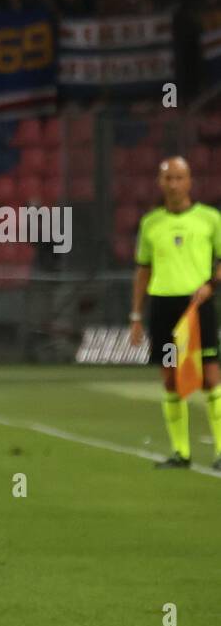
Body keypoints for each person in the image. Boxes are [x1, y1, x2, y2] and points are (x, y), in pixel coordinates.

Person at [128, 156, 221, 468]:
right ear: (160, 182)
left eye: (179, 178)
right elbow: (143, 270)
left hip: (197, 307)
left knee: (210, 377)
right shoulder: (151, 223)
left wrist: (210, 285)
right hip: (164, 308)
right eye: (168, 178)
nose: (174, 184)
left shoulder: (210, 219)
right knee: (170, 379)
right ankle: (181, 452)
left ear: (190, 181)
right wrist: (136, 315)